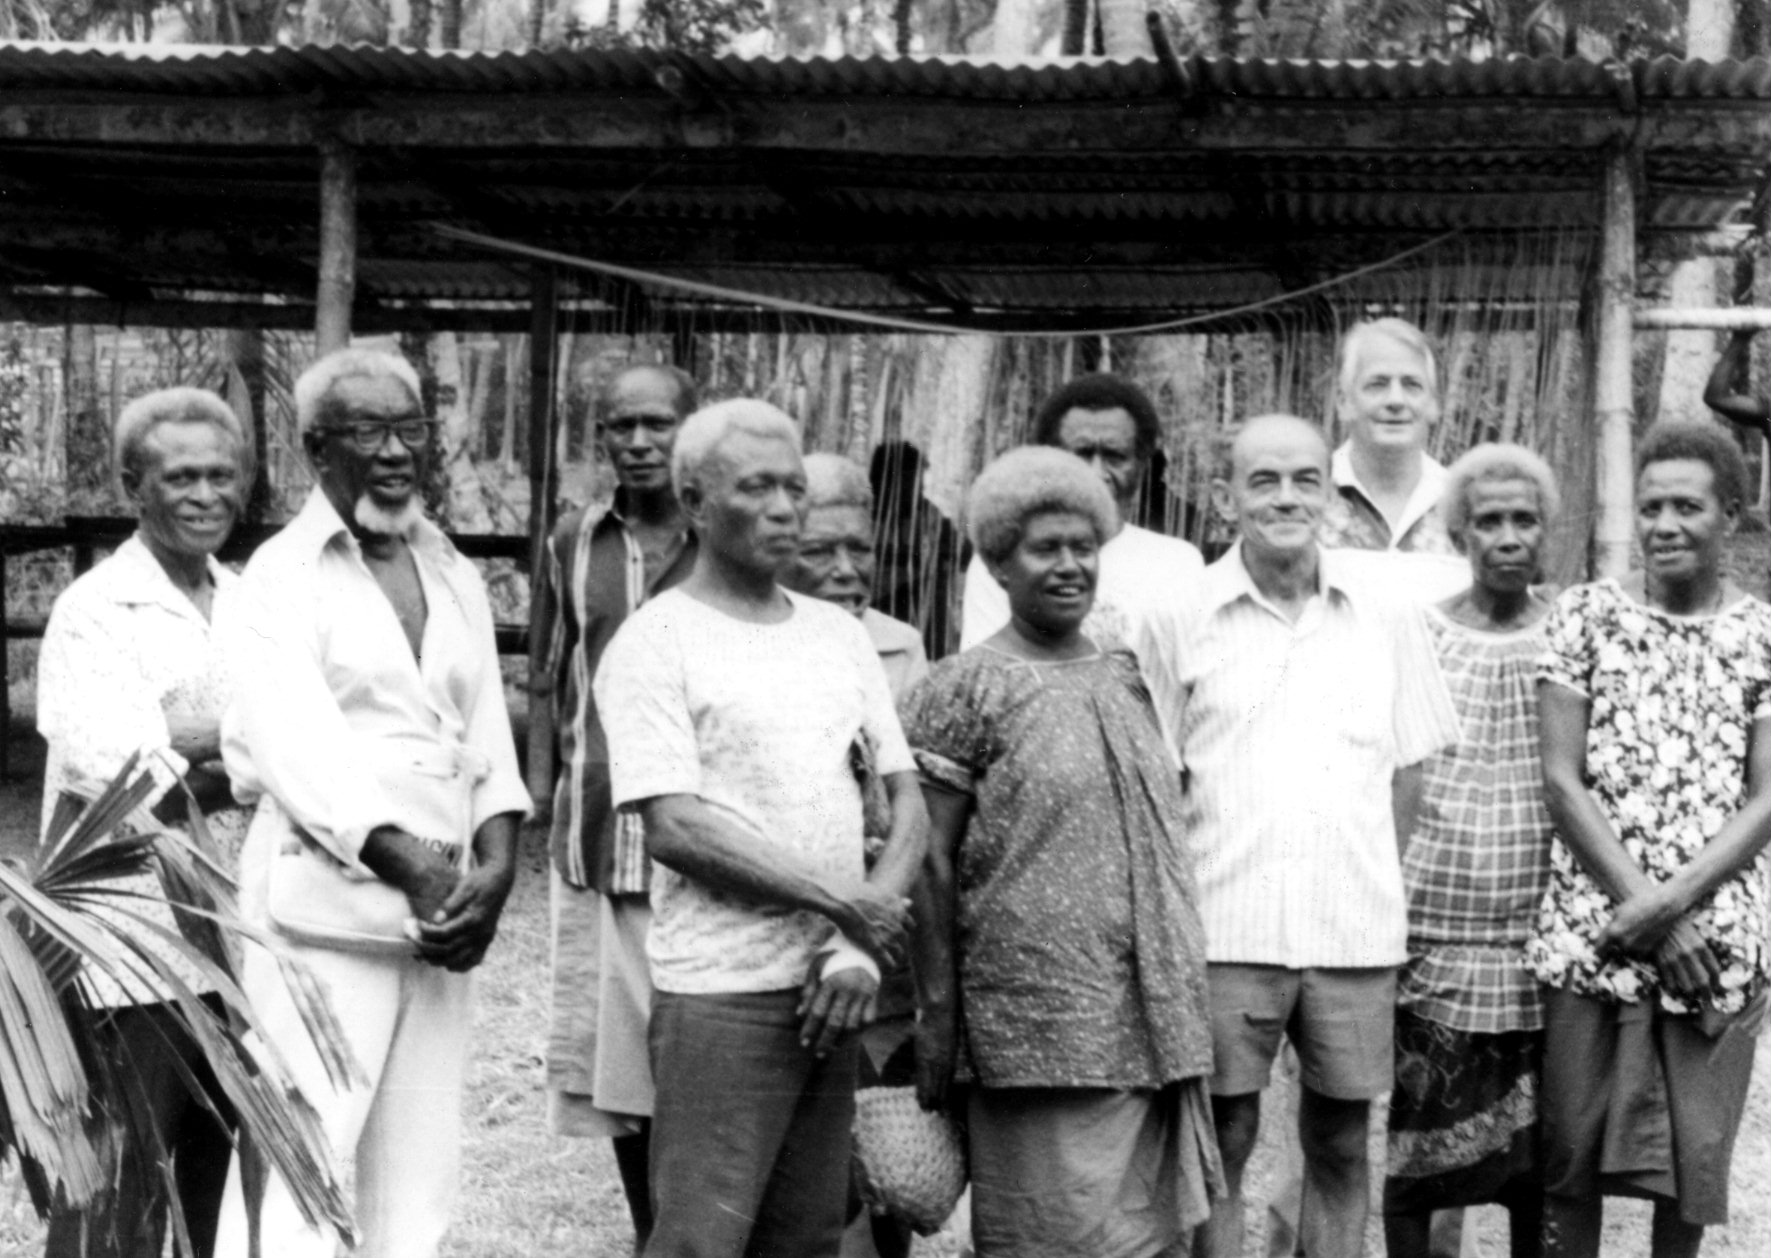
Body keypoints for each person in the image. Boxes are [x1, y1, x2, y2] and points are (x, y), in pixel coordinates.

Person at [213, 347, 530, 1258]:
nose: (396, 452)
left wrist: (497, 868)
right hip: (326, 911)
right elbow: (293, 745)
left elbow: (486, 739)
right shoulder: (282, 575)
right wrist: (411, 864)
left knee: (418, 1183)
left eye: (411, 429)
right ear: (318, 449)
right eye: (368, 432)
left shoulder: (453, 569)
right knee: (299, 1167)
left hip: (444, 914)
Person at [594, 399, 929, 1258]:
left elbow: (906, 801)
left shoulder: (836, 634)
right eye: (757, 488)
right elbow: (675, 826)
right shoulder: (655, 640)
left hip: (832, 984)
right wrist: (842, 906)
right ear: (697, 502)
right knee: (702, 1240)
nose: (786, 508)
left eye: (793, 488)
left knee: (809, 1235)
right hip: (721, 991)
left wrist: (855, 945)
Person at [1132, 415, 1461, 1258]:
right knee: (1225, 1137)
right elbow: (1158, 785)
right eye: (1262, 480)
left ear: (1328, 493)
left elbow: (1408, 770)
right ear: (1226, 496)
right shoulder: (1176, 616)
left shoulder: (1383, 613)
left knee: (1343, 1142)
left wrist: (1364, 882)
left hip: (1352, 935)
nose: (1284, 497)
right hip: (1223, 930)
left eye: (1304, 479)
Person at [905, 446, 1219, 1258]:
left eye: (1085, 547)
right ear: (997, 563)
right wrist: (938, 1015)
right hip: (1034, 1024)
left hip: (1146, 1014)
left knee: (1141, 1239)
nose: (1072, 565)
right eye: (1046, 549)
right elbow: (927, 860)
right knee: (1051, 1236)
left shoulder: (1121, 674)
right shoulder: (960, 687)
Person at [1526, 419, 1771, 1258]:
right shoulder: (1584, 616)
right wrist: (1643, 908)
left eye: (1687, 506)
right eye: (1651, 505)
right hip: (1594, 928)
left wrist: (1670, 908)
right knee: (1569, 1153)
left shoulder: (1763, 637)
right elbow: (1561, 781)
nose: (1663, 523)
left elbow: (1768, 794)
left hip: (1715, 940)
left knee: (1693, 1163)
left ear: (1731, 516)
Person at [35, 387, 251, 1258]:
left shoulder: (250, 603)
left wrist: (187, 737)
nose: (205, 495)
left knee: (223, 1191)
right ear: (134, 485)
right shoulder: (94, 611)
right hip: (129, 949)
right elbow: (125, 783)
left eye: (221, 476)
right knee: (115, 1203)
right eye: (181, 477)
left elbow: (304, 757)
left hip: (237, 937)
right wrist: (243, 744)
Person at [1383, 445, 1562, 1258]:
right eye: (1487, 521)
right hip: (1434, 930)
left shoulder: (1569, 633)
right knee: (1416, 1156)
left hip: (1540, 934)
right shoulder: (1419, 635)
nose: (1507, 537)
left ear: (1545, 531)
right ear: (1459, 533)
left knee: (1539, 1163)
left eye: (1523, 520)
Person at [543, 363, 698, 1255]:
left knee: (698, 1058)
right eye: (618, 425)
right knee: (619, 1076)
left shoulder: (723, 538)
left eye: (655, 424)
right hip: (599, 839)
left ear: (691, 430)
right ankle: (654, 1238)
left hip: (697, 843)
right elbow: (559, 672)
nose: (636, 442)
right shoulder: (574, 539)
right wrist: (540, 796)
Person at [780, 451, 930, 1258]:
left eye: (859, 548)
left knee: (893, 1157)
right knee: (817, 1170)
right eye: (818, 549)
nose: (844, 571)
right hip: (789, 937)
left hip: (887, 937)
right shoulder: (748, 643)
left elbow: (924, 804)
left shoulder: (903, 649)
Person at [959, 374, 1203, 650]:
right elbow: (989, 671)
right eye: (1082, 454)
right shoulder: (1007, 556)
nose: (1096, 472)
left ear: (1141, 463)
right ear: (1049, 457)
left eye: (1115, 456)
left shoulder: (1176, 563)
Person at [1319, 317, 1468, 602]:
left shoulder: (1464, 505)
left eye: (1412, 385)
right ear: (1343, 402)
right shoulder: (1309, 500)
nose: (1396, 400)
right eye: (1377, 384)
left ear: (1435, 404)